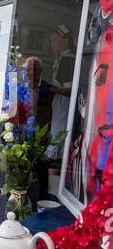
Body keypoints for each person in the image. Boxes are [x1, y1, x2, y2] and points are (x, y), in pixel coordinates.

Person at [46, 24, 75, 160]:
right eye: (51, 40)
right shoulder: (62, 59)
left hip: (65, 102)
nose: (52, 44)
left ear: (65, 42)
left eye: (54, 40)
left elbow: (69, 89)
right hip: (59, 101)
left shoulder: (68, 60)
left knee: (60, 131)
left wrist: (49, 89)